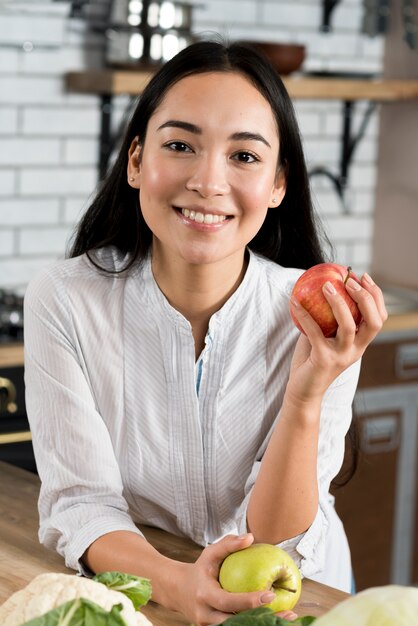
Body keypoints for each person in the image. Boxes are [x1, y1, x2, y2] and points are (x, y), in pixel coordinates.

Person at [24, 39, 387, 626]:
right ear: (137, 161)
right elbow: (83, 504)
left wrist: (308, 389)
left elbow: (273, 541)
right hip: (149, 584)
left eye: (244, 157)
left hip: (299, 594)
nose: (208, 181)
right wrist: (176, 584)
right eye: (180, 145)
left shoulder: (322, 318)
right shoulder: (65, 301)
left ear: (277, 184)